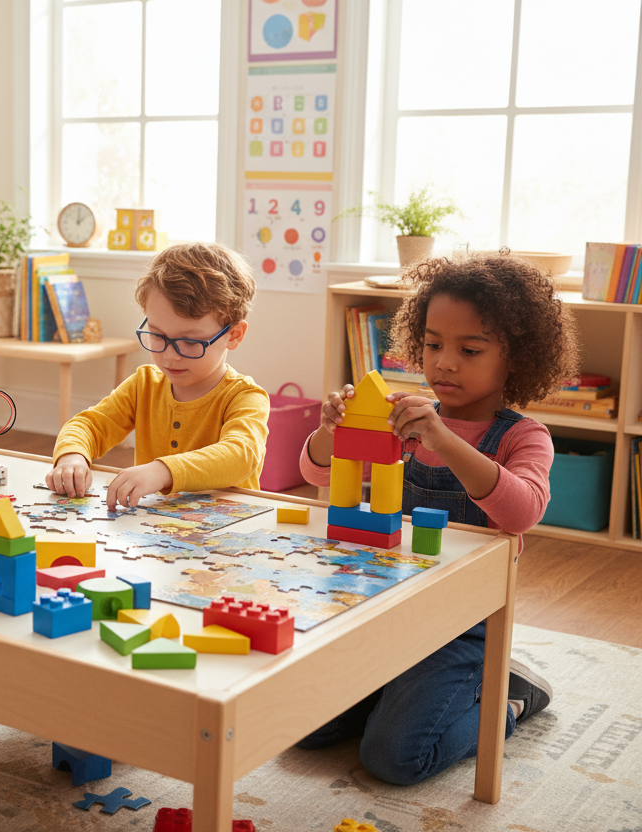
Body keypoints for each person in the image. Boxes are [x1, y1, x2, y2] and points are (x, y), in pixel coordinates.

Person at [299, 252, 578, 785]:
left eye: (469, 349)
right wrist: (331, 432)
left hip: (463, 625)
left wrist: (442, 440)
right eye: (432, 344)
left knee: (394, 758)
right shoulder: (402, 415)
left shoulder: (523, 436)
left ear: (515, 358)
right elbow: (315, 475)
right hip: (382, 603)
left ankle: (508, 701)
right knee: (302, 724)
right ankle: (392, 690)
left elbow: (523, 511)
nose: (444, 362)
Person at [45, 242, 269, 510]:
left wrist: (162, 471)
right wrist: (72, 456)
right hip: (155, 531)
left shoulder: (245, 397)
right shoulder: (144, 385)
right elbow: (88, 426)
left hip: (227, 535)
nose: (170, 356)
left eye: (189, 342)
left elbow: (240, 456)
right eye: (158, 335)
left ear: (233, 335)